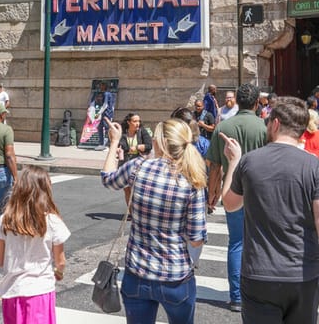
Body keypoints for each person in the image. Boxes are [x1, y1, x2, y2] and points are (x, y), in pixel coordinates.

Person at [219, 99, 319, 322]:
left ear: (275, 124)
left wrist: (233, 162)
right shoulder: (315, 166)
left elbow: (230, 203)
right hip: (303, 272)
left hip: (259, 271)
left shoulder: (249, 162)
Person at [100, 118, 207, 324]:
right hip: (175, 276)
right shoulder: (192, 180)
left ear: (161, 142)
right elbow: (196, 239)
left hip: (138, 271)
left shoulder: (139, 167)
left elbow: (107, 178)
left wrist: (114, 142)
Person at [206, 82, 268, 312]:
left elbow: (213, 167)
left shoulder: (225, 127)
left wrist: (211, 194)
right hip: (261, 195)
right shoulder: (264, 127)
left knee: (236, 243)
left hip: (232, 192)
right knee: (261, 243)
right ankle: (259, 291)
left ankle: (236, 296)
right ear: (256, 103)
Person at [0, 166, 70, 324]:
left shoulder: (5, 220)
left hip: (12, 291)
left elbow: (0, 261)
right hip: (40, 290)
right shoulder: (52, 221)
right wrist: (58, 272)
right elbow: (60, 261)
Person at [117, 113, 152, 210]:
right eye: (135, 121)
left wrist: (137, 147)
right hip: (125, 164)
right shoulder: (123, 133)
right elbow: (115, 144)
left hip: (138, 163)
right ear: (128, 122)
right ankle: (130, 212)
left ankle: (138, 211)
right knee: (127, 190)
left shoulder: (142, 132)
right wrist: (117, 149)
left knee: (137, 189)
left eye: (139, 121)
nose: (138, 123)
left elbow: (149, 145)